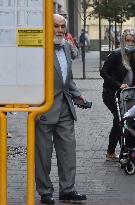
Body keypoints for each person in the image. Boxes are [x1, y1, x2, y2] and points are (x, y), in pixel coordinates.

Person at [35, 14, 87, 204]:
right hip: (44, 108)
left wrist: (77, 94)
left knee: (68, 151)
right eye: (55, 26)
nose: (59, 30)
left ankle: (68, 189)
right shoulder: (38, 47)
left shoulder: (65, 46)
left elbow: (68, 78)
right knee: (43, 154)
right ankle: (45, 192)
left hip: (65, 107)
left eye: (62, 26)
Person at [100, 28, 135, 161]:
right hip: (112, 94)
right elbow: (104, 72)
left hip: (128, 95)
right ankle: (113, 151)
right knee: (119, 120)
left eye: (133, 41)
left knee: (127, 120)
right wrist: (118, 84)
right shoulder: (116, 55)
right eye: (127, 40)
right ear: (123, 41)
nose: (130, 43)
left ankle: (127, 149)